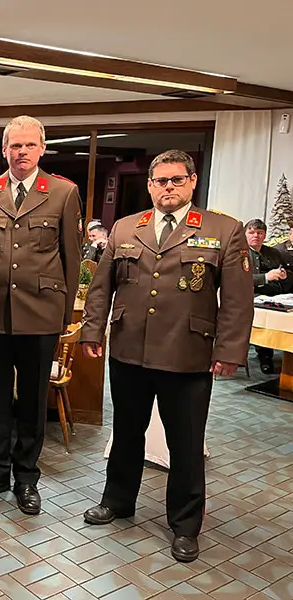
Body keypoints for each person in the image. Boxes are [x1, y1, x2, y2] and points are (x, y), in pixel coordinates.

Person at [80, 149, 253, 563]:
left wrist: (229, 350)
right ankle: (118, 500)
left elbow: (237, 299)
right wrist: (92, 329)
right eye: (160, 181)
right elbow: (101, 287)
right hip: (129, 351)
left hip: (187, 354)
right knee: (126, 432)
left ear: (192, 181)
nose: (168, 187)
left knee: (185, 443)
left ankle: (186, 524)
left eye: (176, 179)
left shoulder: (223, 229)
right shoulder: (127, 227)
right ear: (150, 185)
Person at [0, 115, 82, 514]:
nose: (23, 151)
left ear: (42, 149)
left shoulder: (63, 193)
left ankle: (27, 478)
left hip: (41, 314)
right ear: (4, 150)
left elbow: (71, 258)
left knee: (32, 404)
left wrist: (63, 316)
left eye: (30, 145)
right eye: (15, 145)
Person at [245, 219, 291, 374]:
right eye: (251, 232)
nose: (256, 236)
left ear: (265, 235)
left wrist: (283, 275)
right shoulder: (238, 253)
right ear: (245, 234)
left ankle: (285, 360)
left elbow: (284, 271)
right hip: (248, 297)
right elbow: (237, 279)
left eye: (260, 233)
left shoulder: (273, 253)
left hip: (274, 296)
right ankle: (265, 357)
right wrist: (265, 277)